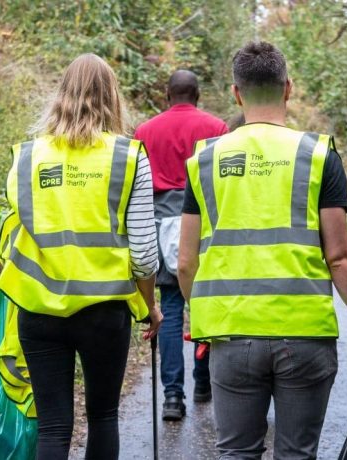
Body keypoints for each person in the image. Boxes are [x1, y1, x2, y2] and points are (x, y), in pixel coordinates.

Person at [177, 41, 347, 459]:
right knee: (297, 455)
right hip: (303, 336)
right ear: (288, 88)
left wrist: (203, 315)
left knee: (236, 453)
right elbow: (340, 258)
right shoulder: (317, 155)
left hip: (231, 335)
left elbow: (185, 263)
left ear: (236, 93)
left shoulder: (204, 160)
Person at [0, 53, 162, 460]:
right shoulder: (128, 156)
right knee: (102, 415)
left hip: (40, 310)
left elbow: (17, 226)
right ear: (112, 98)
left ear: (60, 95)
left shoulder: (28, 157)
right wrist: (149, 307)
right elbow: (144, 256)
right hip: (104, 312)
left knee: (53, 425)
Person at [134, 70, 229, 420]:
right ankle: (203, 382)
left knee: (171, 311)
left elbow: (138, 185)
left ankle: (173, 397)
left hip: (159, 223)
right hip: (200, 223)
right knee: (206, 303)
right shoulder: (217, 129)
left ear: (167, 94)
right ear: (198, 95)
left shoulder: (144, 131)